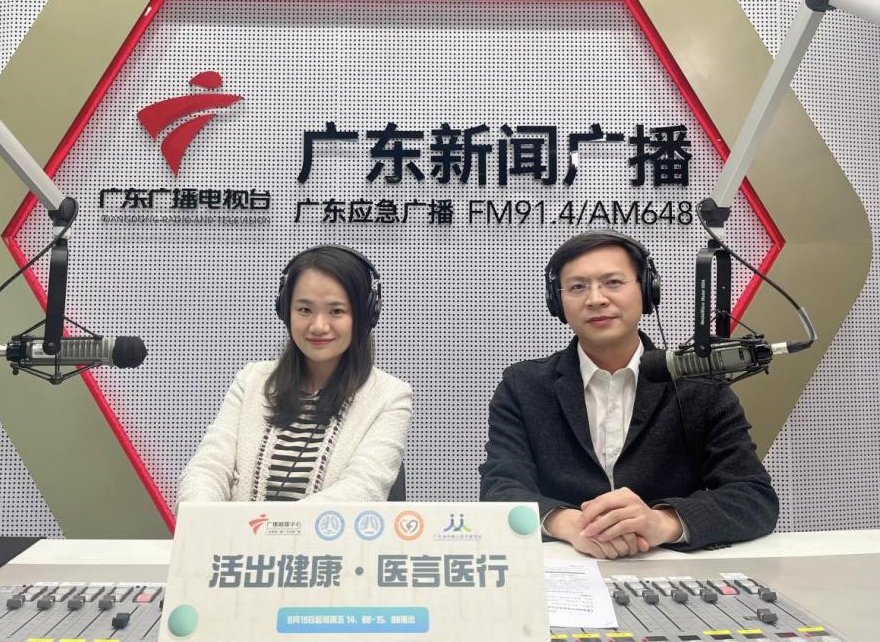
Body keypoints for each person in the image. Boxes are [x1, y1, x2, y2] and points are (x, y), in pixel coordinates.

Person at [479, 230, 778, 556]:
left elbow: (753, 495)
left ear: (648, 290)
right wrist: (571, 525)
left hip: (667, 568)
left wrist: (662, 522)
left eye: (613, 282)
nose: (596, 299)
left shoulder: (699, 383)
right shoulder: (524, 385)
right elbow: (499, 490)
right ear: (557, 302)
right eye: (578, 287)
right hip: (565, 566)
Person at [177, 245, 412, 507]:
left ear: (365, 315)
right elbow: (208, 468)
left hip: (325, 535)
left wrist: (272, 526)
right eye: (305, 310)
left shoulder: (390, 396)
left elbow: (362, 488)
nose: (318, 326)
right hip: (237, 535)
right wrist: (201, 518)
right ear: (285, 310)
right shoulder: (251, 381)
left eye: (336, 311)